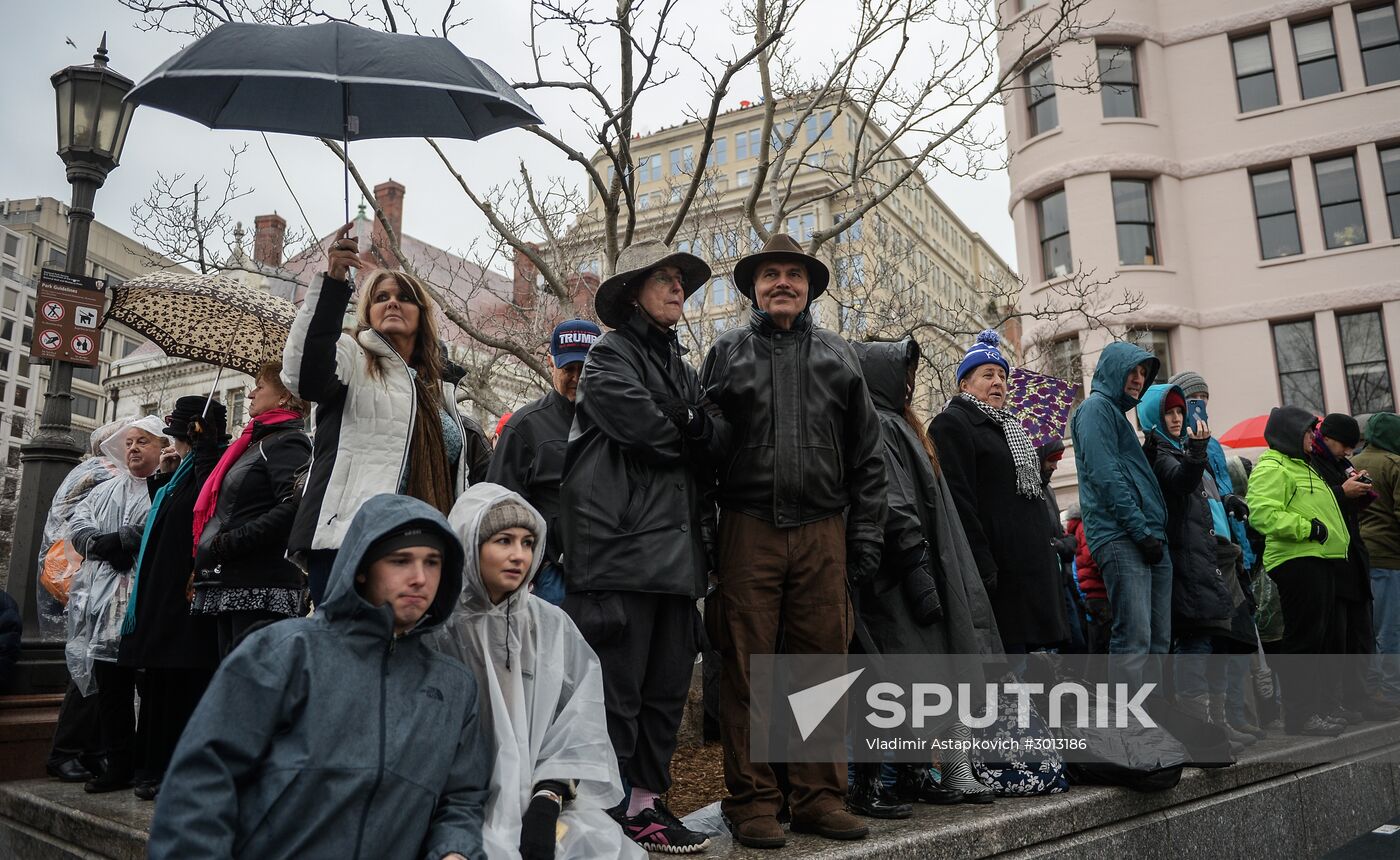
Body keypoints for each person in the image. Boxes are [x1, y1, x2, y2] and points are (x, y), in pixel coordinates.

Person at [147, 494, 490, 860]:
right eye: (400, 560)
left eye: (433, 562)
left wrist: (454, 850)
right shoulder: (284, 652)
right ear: (362, 567)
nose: (420, 578)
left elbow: (462, 798)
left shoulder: (454, 685)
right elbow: (202, 780)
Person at [700, 233, 886, 848]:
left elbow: (868, 461)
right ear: (754, 285)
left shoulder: (841, 357)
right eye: (771, 273)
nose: (783, 282)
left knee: (820, 670)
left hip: (823, 531)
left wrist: (864, 539)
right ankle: (752, 801)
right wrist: (706, 542)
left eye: (794, 274)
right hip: (746, 527)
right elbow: (701, 462)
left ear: (809, 287)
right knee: (747, 669)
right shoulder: (725, 354)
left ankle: (818, 799)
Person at [560, 240, 719, 854]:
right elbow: (652, 432)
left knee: (665, 692)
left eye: (681, 279)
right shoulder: (607, 357)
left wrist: (687, 418)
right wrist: (688, 420)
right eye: (665, 278)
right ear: (634, 292)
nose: (678, 287)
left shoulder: (681, 368)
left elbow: (714, 436)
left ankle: (649, 805)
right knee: (618, 695)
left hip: (678, 562)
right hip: (622, 556)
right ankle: (608, 809)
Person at [433, 483, 645, 859]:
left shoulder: (548, 624)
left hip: (539, 796)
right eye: (503, 540)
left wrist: (548, 799)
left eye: (528, 542)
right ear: (469, 545)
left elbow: (578, 720)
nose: (519, 555)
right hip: (453, 805)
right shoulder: (440, 628)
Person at [282, 227, 475, 604]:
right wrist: (334, 283)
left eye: (405, 298)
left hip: (422, 544)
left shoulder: (440, 388)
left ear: (421, 314)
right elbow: (302, 374)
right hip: (353, 539)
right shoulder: (352, 356)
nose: (392, 303)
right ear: (367, 310)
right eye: (381, 297)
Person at [850, 338, 1000, 808]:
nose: (909, 382)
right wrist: (915, 565)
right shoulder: (880, 426)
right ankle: (912, 775)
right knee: (919, 672)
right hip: (901, 575)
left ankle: (925, 772)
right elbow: (892, 502)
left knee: (937, 667)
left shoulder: (904, 427)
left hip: (926, 565)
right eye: (902, 371)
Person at [929, 330, 1069, 653]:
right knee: (1007, 667)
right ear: (964, 384)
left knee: (1028, 664)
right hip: (998, 572)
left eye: (1003, 376)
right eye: (988, 375)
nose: (998, 383)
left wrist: (1043, 471)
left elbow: (1014, 494)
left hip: (1025, 570)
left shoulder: (1010, 427)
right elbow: (959, 502)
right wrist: (982, 563)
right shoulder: (952, 424)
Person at [117, 396, 228, 800]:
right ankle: (149, 764)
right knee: (158, 683)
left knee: (179, 683)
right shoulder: (180, 473)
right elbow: (166, 520)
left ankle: (166, 768)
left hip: (183, 594)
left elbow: (202, 509)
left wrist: (202, 449)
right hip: (160, 593)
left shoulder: (209, 465)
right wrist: (164, 479)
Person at [1136, 383, 1255, 749]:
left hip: (1213, 556)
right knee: (1196, 641)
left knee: (1219, 639)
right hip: (1188, 559)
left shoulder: (1185, 450)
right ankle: (1199, 730)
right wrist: (1197, 453)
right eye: (1168, 412)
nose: (1176, 417)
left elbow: (1205, 497)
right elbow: (1179, 480)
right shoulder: (1159, 454)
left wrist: (1229, 499)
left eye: (1179, 411)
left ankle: (1218, 725)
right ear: (1153, 416)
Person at [63, 415, 167, 793]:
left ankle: (147, 765)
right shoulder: (107, 489)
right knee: (111, 688)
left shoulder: (166, 487)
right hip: (104, 605)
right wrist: (97, 542)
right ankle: (118, 763)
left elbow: (168, 527)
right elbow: (77, 523)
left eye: (143, 441)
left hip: (147, 603)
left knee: (150, 687)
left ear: (161, 447)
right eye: (129, 442)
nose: (134, 448)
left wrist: (127, 540)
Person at [191, 361, 313, 657]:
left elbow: (294, 506)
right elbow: (223, 501)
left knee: (249, 688)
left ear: (284, 395)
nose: (250, 395)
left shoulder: (288, 442)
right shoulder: (254, 443)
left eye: (259, 386)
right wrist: (205, 449)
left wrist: (231, 542)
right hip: (234, 579)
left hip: (259, 584)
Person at [1246, 406, 1350, 736]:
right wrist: (1309, 529)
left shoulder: (1301, 465)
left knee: (1315, 639)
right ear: (1291, 433)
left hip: (1316, 557)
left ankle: (1311, 710)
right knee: (1303, 641)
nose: (1312, 438)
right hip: (1296, 558)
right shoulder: (1272, 465)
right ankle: (1300, 716)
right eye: (1307, 432)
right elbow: (1261, 514)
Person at [1069, 340, 1169, 677]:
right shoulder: (1096, 408)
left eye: (1144, 373)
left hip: (1144, 536)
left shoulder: (1116, 415)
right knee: (1134, 639)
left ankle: (1151, 722)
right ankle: (1128, 727)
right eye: (1133, 370)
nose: (1139, 379)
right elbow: (1106, 475)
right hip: (1123, 537)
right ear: (1114, 369)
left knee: (1156, 642)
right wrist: (1141, 532)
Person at [489, 319, 602, 606]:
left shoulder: (619, 423)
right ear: (551, 363)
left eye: (585, 369)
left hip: (611, 575)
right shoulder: (525, 426)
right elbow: (499, 507)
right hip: (551, 578)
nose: (577, 377)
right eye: (569, 369)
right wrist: (536, 569)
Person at [43, 421, 124, 783]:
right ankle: (68, 752)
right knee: (88, 666)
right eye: (127, 441)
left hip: (96, 580)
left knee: (101, 665)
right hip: (89, 581)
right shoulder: (101, 474)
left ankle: (92, 750)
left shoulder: (97, 473)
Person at [1307, 413, 1397, 721]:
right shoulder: (1314, 463)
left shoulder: (1342, 463)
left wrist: (1358, 493)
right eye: (1342, 445)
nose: (1347, 452)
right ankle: (1344, 699)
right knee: (1350, 635)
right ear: (1326, 438)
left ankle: (1360, 696)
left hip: (1357, 554)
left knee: (1362, 632)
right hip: (1341, 559)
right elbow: (1315, 504)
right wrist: (1343, 492)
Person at [1354, 412, 1400, 707]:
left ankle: (1371, 690)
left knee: (1367, 629)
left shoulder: (1352, 464)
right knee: (1392, 629)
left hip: (1360, 555)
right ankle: (1393, 692)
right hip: (1391, 556)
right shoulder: (1394, 464)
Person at [1039, 440, 1086, 654]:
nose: (1055, 466)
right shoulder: (1029, 490)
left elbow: (1062, 535)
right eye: (1052, 459)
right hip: (1045, 582)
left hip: (1062, 581)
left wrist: (1061, 544)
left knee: (1075, 640)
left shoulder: (1048, 490)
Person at [1067, 503, 1110, 653]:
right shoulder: (1085, 527)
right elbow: (1092, 557)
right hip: (1100, 591)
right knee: (1105, 641)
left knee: (1096, 642)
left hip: (1089, 593)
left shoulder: (1076, 529)